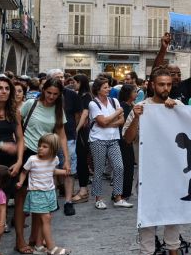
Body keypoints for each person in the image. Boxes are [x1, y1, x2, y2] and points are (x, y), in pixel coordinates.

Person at [123, 65, 190, 255]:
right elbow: (127, 138)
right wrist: (136, 117)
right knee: (147, 218)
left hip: (172, 172)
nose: (165, 88)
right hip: (147, 174)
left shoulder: (177, 105)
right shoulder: (141, 107)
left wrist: (176, 113)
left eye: (169, 85)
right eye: (161, 84)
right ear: (152, 85)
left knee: (172, 216)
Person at [17, 78, 71, 252]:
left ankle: (35, 238)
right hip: (28, 153)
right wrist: (18, 142)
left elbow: (61, 135)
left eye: (55, 94)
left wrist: (67, 158)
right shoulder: (30, 104)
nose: (51, 97)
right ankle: (20, 240)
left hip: (47, 155)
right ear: (43, 89)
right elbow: (16, 123)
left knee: (39, 199)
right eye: (49, 93)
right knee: (22, 198)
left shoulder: (58, 109)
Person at [15, 134, 71, 255]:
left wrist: (64, 172)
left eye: (44, 146)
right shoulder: (32, 160)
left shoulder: (54, 159)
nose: (40, 148)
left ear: (53, 149)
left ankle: (39, 245)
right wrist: (20, 182)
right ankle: (51, 247)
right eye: (40, 146)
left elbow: (51, 171)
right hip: (37, 193)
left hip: (49, 192)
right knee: (46, 218)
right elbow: (24, 171)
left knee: (43, 219)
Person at [88, 77, 131, 210]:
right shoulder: (93, 104)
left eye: (108, 86)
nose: (108, 89)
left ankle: (118, 197)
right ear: (98, 90)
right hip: (98, 140)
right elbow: (102, 121)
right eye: (105, 87)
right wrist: (116, 113)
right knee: (99, 170)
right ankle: (98, 198)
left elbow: (121, 121)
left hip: (113, 139)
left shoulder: (114, 101)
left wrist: (107, 122)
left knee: (119, 167)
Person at [47, 69, 83, 216]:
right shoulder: (46, 96)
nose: (61, 79)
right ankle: (53, 200)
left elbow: (77, 115)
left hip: (68, 136)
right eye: (57, 77)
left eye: (62, 77)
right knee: (51, 170)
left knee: (69, 170)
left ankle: (68, 201)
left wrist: (73, 132)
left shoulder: (72, 95)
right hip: (49, 138)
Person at [71, 74, 92, 203]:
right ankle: (82, 189)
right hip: (80, 132)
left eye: (74, 81)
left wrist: (76, 130)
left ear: (79, 82)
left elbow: (84, 113)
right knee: (80, 160)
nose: (73, 84)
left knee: (82, 161)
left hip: (82, 133)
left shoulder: (85, 96)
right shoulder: (81, 95)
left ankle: (83, 190)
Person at [118, 84, 138, 201]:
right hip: (123, 140)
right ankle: (122, 193)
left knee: (129, 167)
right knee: (125, 167)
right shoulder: (123, 107)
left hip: (130, 140)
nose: (136, 93)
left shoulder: (133, 106)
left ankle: (126, 192)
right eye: (134, 91)